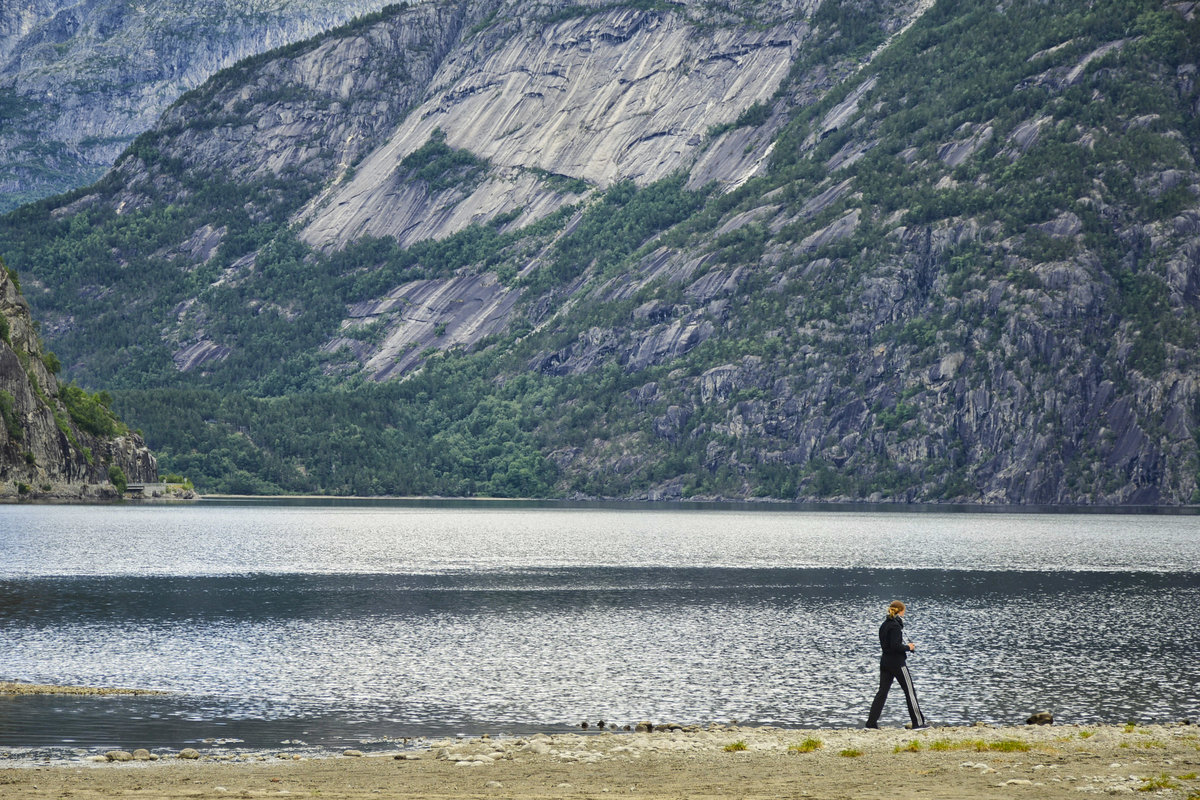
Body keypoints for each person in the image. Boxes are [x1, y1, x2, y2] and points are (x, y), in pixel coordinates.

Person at [865, 600, 928, 729]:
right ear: (900, 611)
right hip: (897, 663)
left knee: (882, 693)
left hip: (885, 663)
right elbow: (896, 646)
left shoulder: (884, 625)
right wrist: (908, 647)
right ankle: (918, 723)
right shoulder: (895, 626)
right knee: (910, 691)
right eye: (904, 610)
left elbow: (887, 645)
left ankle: (871, 723)